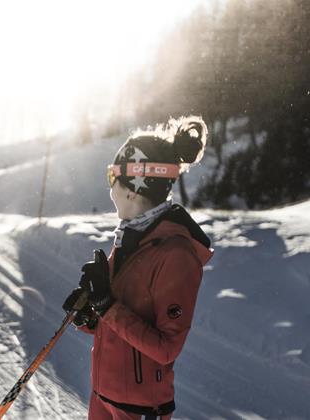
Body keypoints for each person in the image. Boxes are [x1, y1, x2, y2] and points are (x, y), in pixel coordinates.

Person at [63, 116, 214, 420]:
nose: (110, 190)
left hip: (140, 410)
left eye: (112, 178)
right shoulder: (129, 238)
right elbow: (124, 321)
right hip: (103, 398)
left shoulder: (176, 255)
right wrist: (90, 315)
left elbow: (166, 348)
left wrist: (107, 305)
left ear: (133, 188)